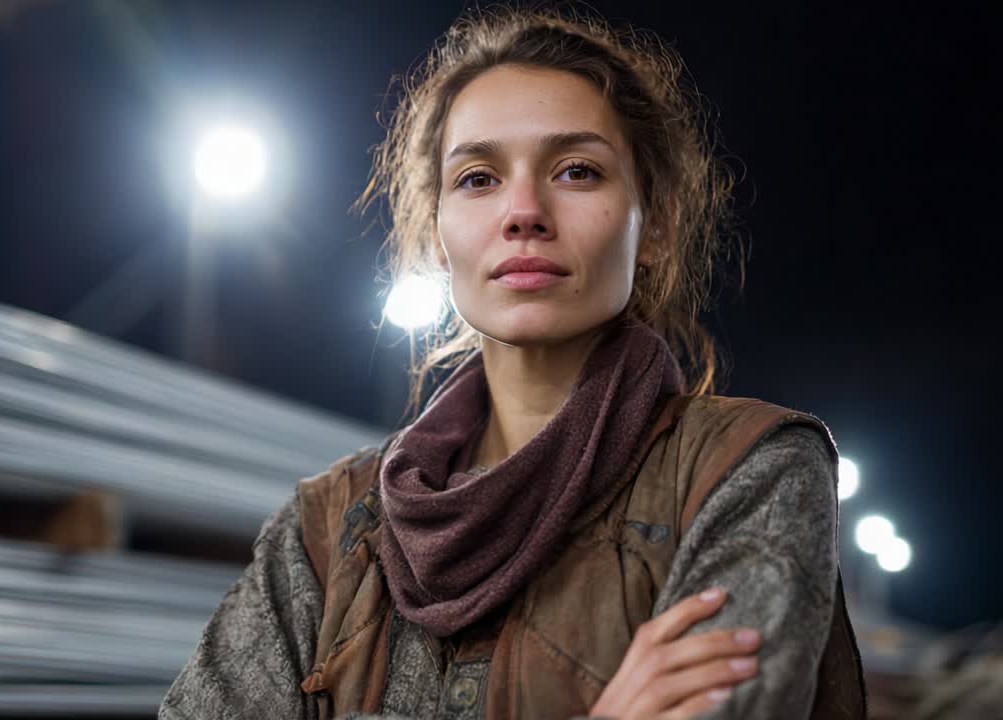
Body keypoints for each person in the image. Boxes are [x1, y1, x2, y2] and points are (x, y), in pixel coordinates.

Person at [160, 7, 865, 720]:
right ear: (437, 234)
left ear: (655, 225)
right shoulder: (323, 528)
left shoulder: (749, 469)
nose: (524, 211)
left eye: (577, 171)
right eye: (477, 178)